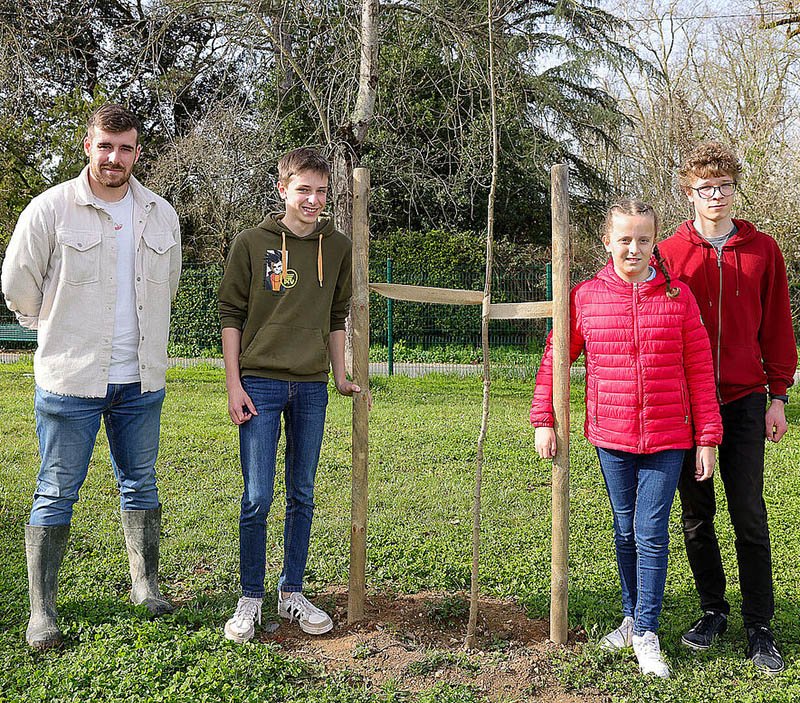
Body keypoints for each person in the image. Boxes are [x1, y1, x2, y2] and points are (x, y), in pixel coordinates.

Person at [1, 103, 181, 649]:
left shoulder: (159, 212)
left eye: (125, 147)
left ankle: (145, 586)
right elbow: (17, 284)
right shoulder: (52, 208)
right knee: (56, 490)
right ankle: (42, 614)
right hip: (70, 381)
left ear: (138, 152)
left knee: (141, 482)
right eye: (105, 145)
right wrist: (53, 330)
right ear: (88, 145)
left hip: (139, 381)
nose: (114, 157)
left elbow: (167, 285)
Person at [530, 200, 722, 679]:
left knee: (651, 533)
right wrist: (544, 418)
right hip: (611, 436)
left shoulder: (678, 297)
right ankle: (631, 615)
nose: (633, 248)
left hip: (668, 436)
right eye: (624, 238)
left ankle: (648, 633)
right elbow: (557, 357)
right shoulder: (585, 297)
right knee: (625, 529)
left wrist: (708, 437)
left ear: (654, 242)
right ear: (607, 241)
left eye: (642, 239)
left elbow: (699, 370)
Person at [658, 142, 797, 675]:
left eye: (724, 187)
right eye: (704, 188)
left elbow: (778, 328)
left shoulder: (764, 250)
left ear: (735, 190)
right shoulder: (669, 253)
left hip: (744, 401)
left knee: (750, 513)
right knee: (695, 516)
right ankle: (713, 610)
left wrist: (778, 397)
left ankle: (759, 625)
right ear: (688, 193)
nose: (715, 196)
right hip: (687, 406)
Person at [217, 147, 363, 643]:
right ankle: (250, 599)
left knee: (301, 493)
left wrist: (339, 375)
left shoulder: (338, 247)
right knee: (257, 496)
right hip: (258, 382)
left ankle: (292, 592)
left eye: (322, 192)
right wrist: (234, 383)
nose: (313, 200)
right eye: (304, 189)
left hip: (311, 386)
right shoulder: (251, 243)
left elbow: (336, 315)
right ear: (283, 188)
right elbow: (231, 315)